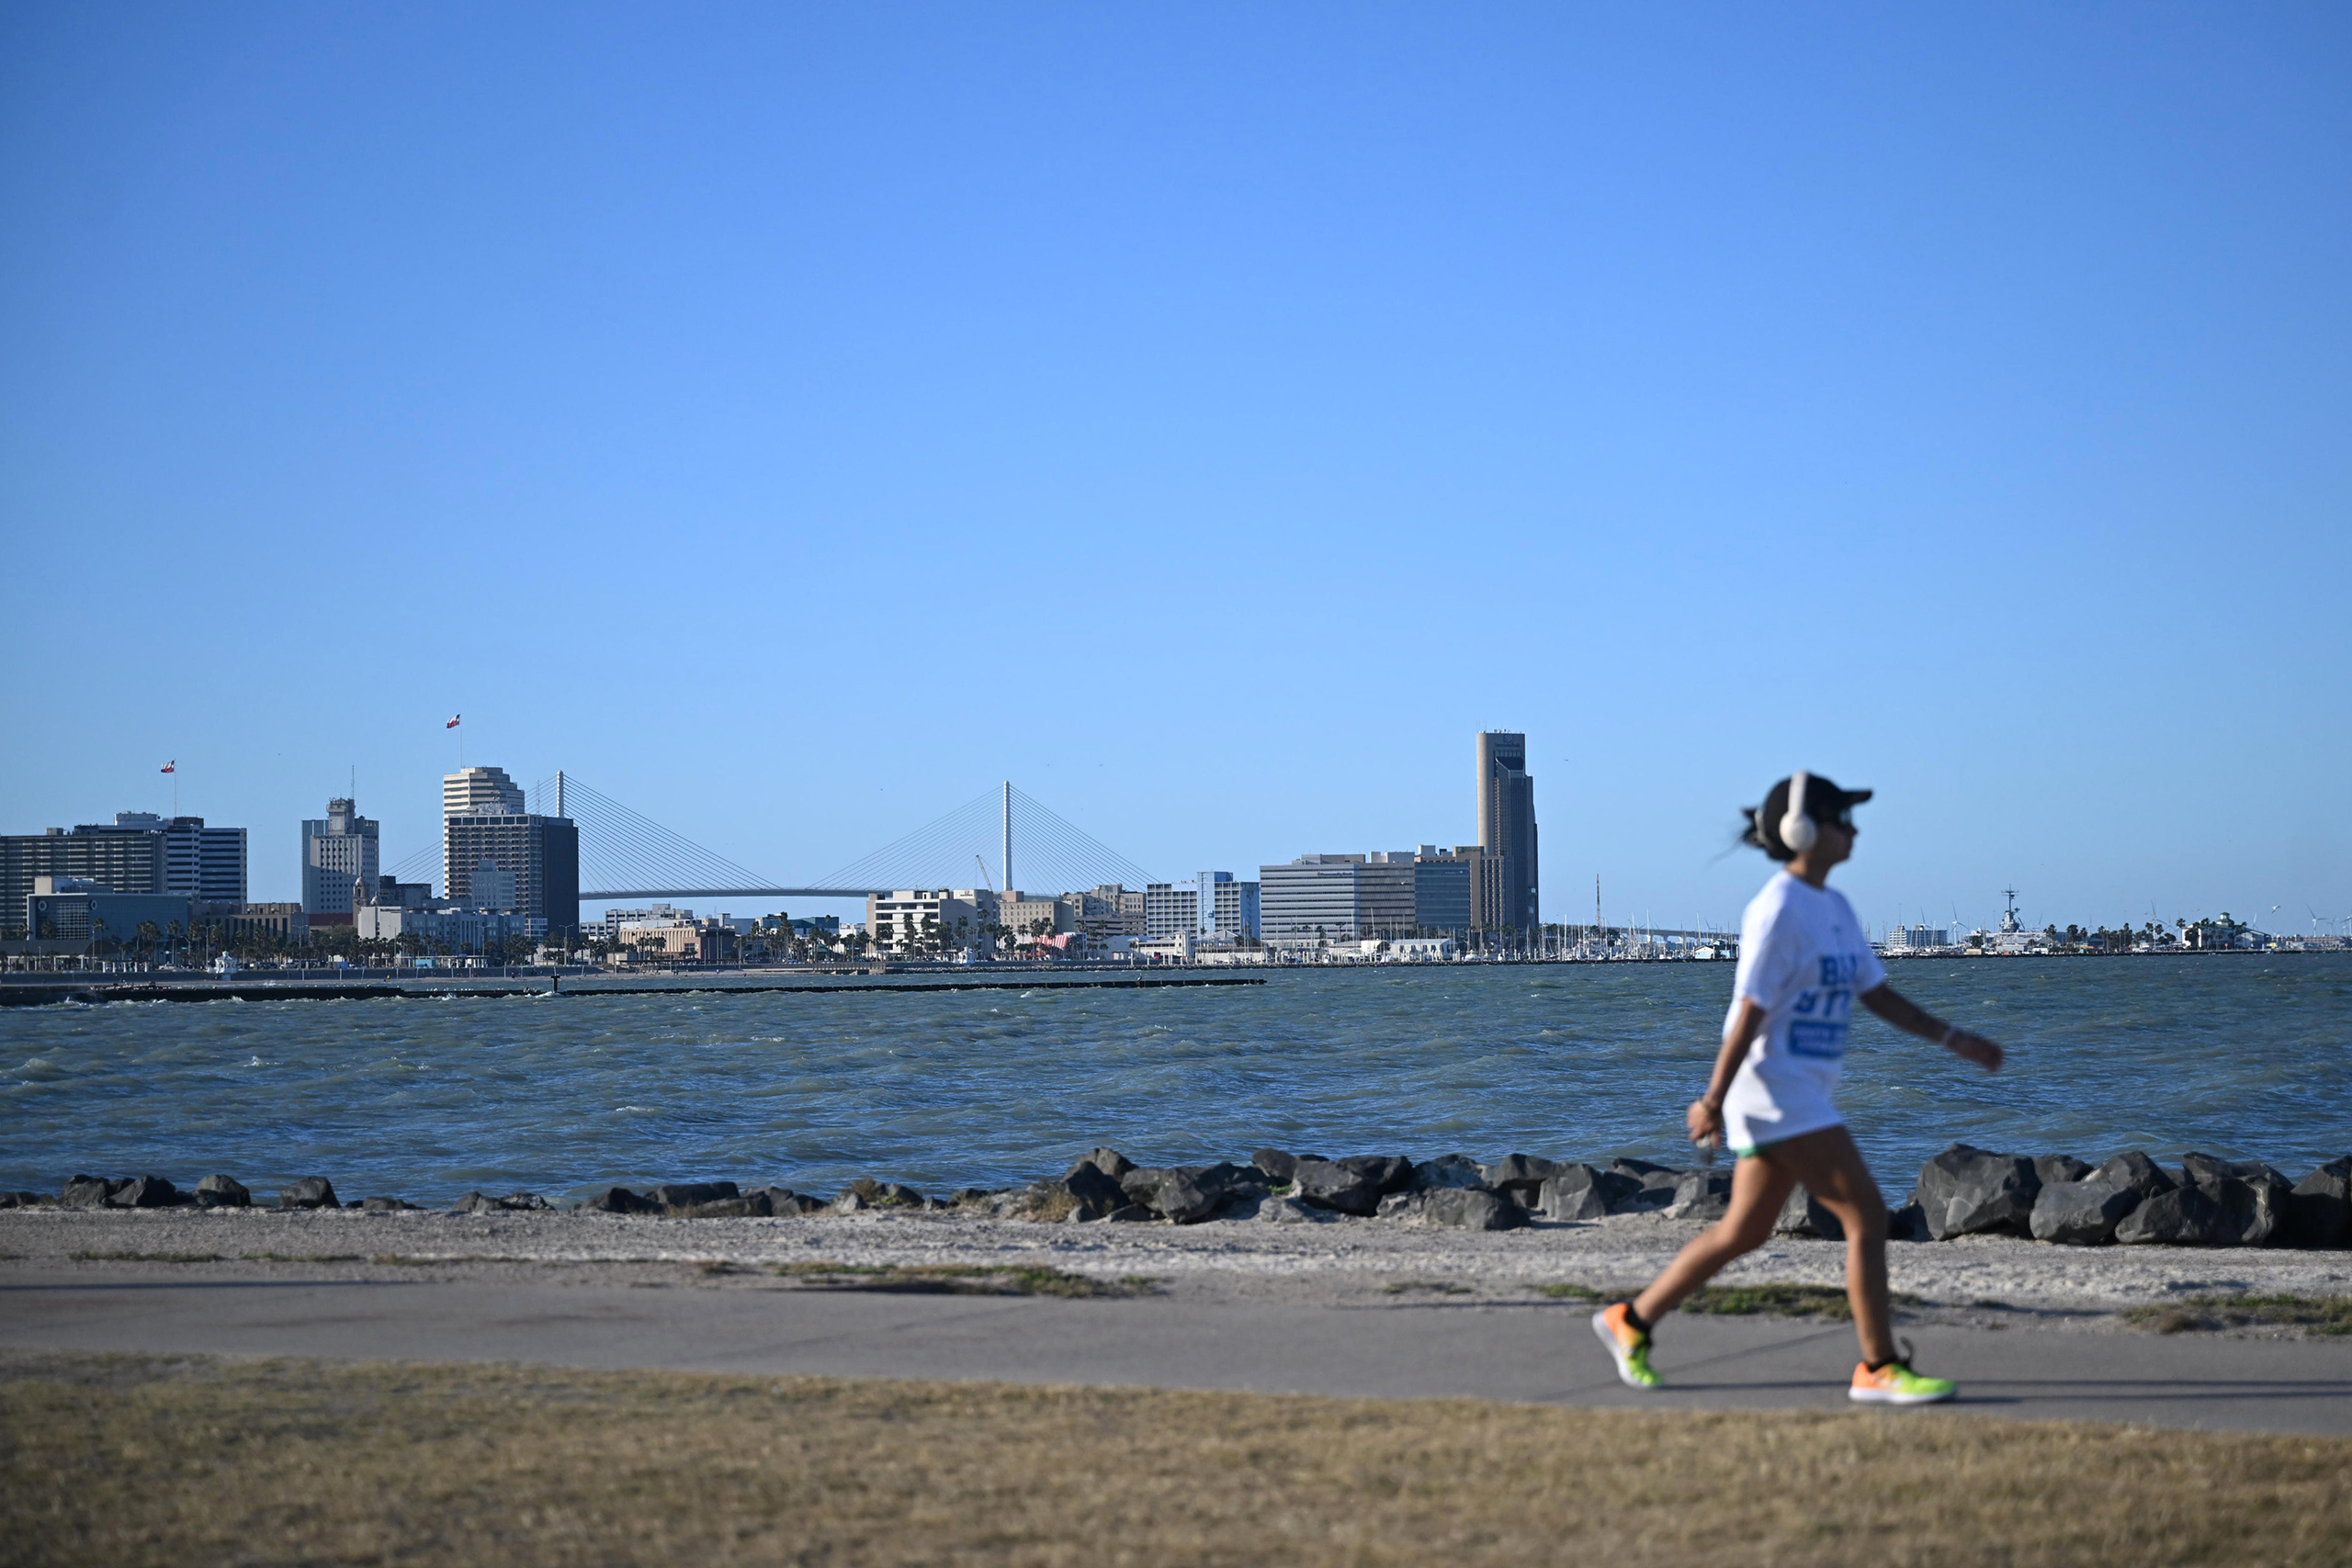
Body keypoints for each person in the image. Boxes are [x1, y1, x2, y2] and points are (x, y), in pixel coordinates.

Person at [1590, 772, 2004, 1404]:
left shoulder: (1833, 908)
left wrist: (1953, 1038)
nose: (1855, 829)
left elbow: (1877, 994)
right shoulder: (1777, 910)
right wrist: (1712, 1096)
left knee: (1745, 1231)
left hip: (1791, 1090)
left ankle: (1632, 1321)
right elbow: (1750, 1009)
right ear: (1805, 831)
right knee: (1866, 1212)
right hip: (1772, 1089)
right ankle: (1878, 1365)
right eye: (1843, 818)